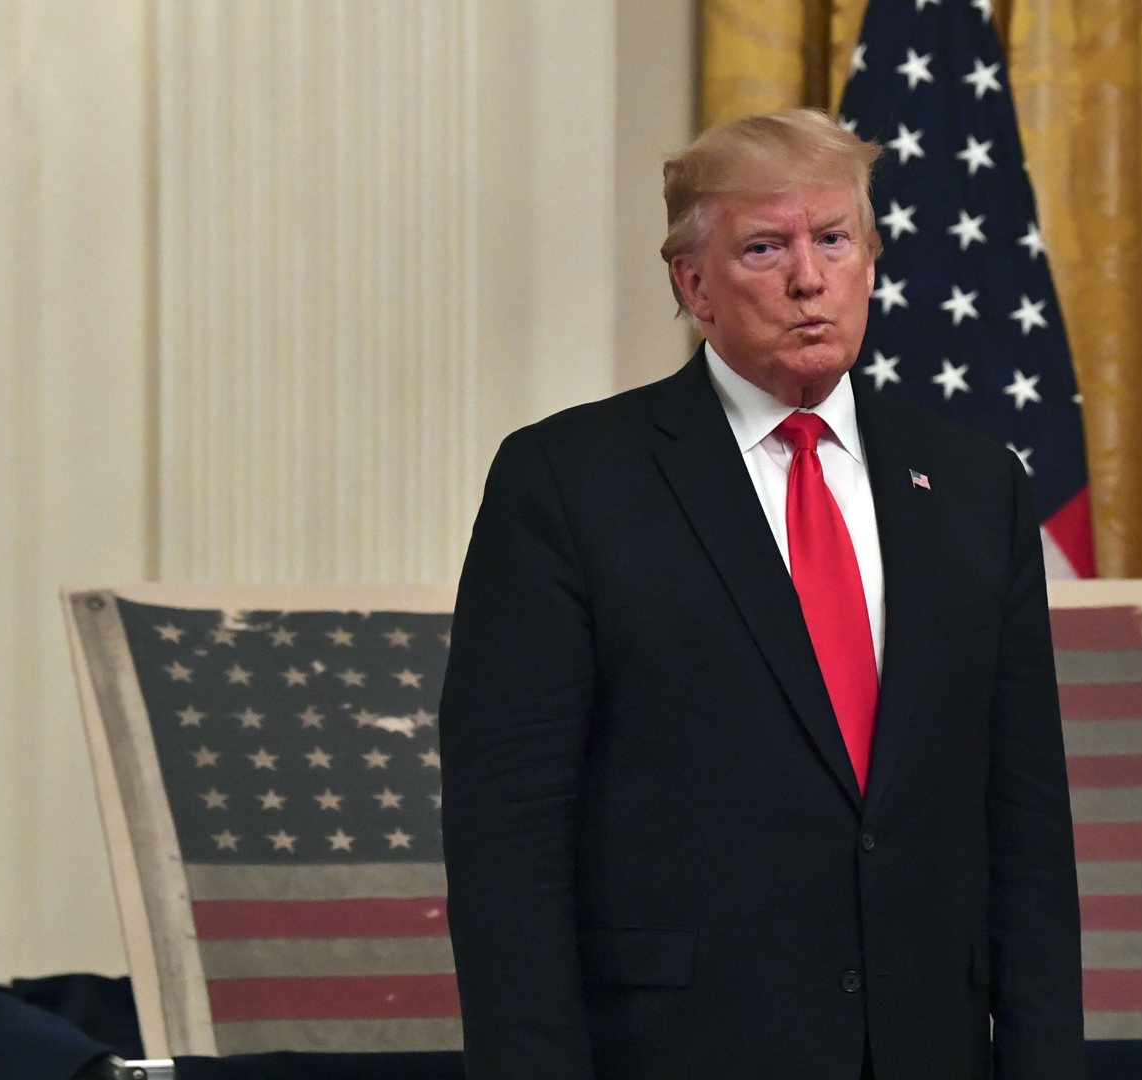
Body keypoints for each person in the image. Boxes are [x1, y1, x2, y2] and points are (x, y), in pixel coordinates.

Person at [440, 108, 1083, 1080]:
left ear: (870, 259)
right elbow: (508, 843)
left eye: (832, 240)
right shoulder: (569, 485)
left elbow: (1028, 826)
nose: (806, 278)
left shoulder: (976, 487)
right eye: (764, 247)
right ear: (692, 283)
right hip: (679, 1051)